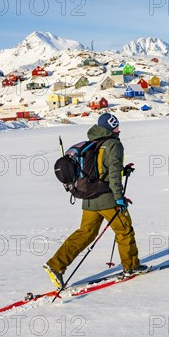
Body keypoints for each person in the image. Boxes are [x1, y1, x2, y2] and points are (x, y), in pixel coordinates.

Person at [44, 113, 146, 288]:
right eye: (116, 127)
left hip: (89, 198)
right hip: (107, 199)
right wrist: (119, 197)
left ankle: (56, 265)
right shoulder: (114, 144)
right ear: (110, 127)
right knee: (125, 230)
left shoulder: (94, 142)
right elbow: (112, 174)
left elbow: (101, 169)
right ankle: (131, 266)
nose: (118, 130)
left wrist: (123, 170)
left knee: (85, 233)